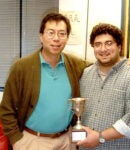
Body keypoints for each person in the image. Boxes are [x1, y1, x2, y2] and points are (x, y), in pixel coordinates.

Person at [0, 12, 90, 150]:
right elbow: (6, 109)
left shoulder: (74, 64)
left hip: (66, 141)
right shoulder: (22, 67)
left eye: (62, 34)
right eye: (51, 33)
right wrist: (16, 140)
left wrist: (123, 62)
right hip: (33, 142)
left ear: (66, 38)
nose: (56, 39)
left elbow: (99, 65)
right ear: (41, 36)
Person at [78, 23, 130, 150]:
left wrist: (100, 137)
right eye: (98, 44)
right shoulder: (85, 75)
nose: (103, 49)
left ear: (119, 46)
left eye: (109, 43)